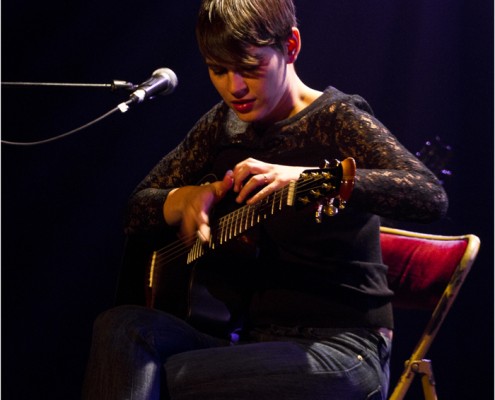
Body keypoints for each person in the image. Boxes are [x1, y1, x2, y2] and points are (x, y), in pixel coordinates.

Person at [82, 0, 448, 399]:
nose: (233, 87)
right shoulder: (222, 125)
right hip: (251, 345)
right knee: (121, 328)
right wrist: (183, 199)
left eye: (250, 68)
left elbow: (429, 194)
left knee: (170, 375)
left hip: (342, 351)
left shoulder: (337, 118)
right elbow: (135, 211)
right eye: (217, 70)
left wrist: (314, 179)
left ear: (290, 46)